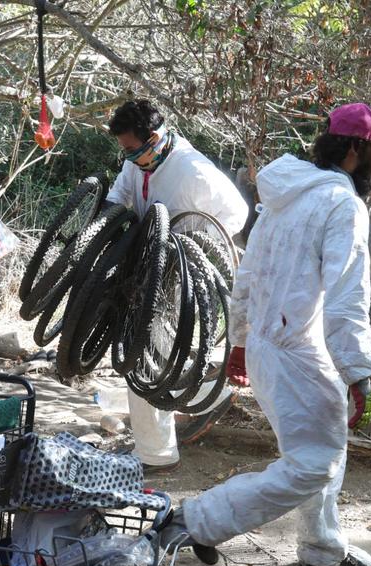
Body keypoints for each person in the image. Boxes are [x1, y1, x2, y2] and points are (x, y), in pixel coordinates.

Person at [159, 102, 371, 566]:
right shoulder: (342, 204)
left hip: (280, 347)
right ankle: (192, 522)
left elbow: (247, 273)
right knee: (315, 464)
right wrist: (357, 371)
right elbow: (347, 295)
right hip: (296, 353)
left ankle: (322, 547)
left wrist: (242, 339)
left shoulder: (288, 193)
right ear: (355, 149)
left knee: (323, 445)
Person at [104, 100, 249, 473]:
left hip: (175, 268)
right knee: (154, 354)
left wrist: (192, 243)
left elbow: (236, 212)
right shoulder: (136, 162)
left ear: (153, 139)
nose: (128, 157)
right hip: (142, 266)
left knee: (144, 356)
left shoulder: (193, 170)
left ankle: (157, 453)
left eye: (132, 149)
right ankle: (205, 396)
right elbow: (118, 199)